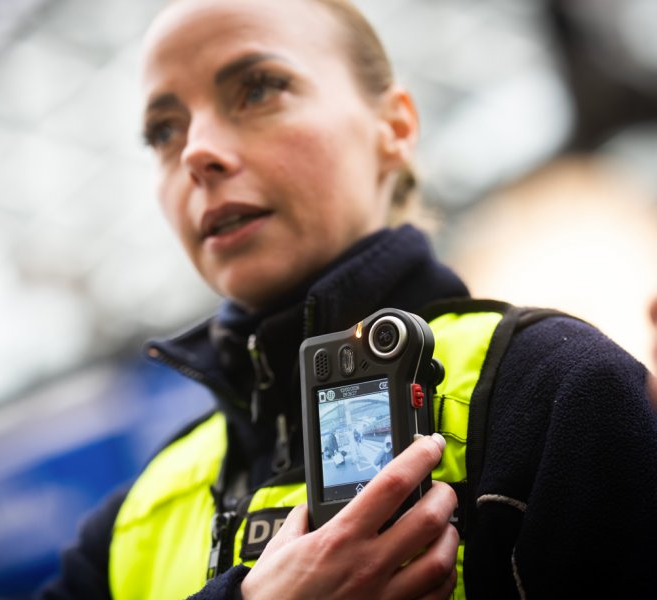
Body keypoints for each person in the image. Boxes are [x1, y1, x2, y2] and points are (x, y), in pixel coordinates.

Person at [37, 0, 657, 598]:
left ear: (395, 127)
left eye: (257, 88)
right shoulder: (128, 526)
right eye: (163, 131)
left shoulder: (557, 391)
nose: (195, 152)